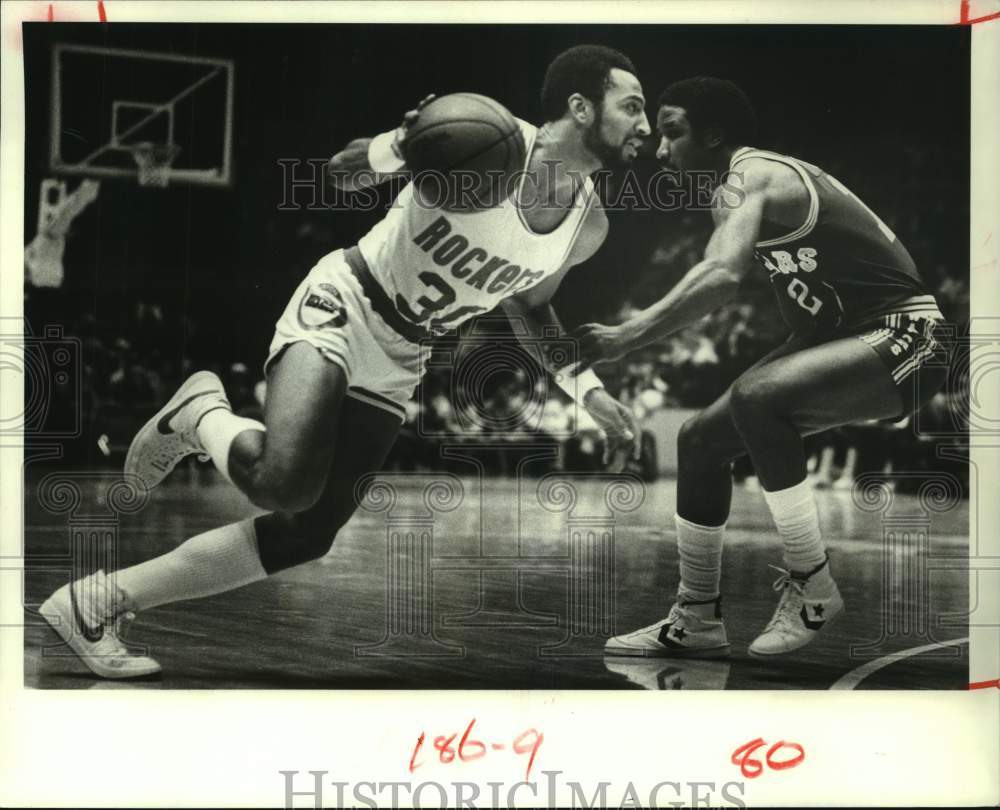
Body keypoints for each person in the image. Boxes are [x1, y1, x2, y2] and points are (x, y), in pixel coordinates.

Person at [39, 45, 648, 679]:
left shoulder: (589, 226)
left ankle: (95, 604)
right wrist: (399, 144)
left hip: (405, 353)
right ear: (580, 107)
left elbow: (530, 306)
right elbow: (341, 173)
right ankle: (203, 416)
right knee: (284, 483)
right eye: (632, 107)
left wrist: (590, 393)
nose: (646, 126)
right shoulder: (480, 134)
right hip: (348, 300)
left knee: (307, 532)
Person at [591, 77, 948, 658]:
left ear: (714, 136)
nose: (661, 149)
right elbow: (802, 315)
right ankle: (696, 617)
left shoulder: (752, 174)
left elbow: (721, 276)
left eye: (673, 132)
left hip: (911, 334)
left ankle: (813, 584)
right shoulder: (735, 194)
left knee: (756, 396)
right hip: (847, 335)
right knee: (700, 441)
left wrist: (627, 335)